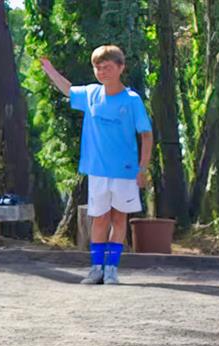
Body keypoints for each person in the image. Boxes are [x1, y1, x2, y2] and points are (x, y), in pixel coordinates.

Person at [40, 46, 154, 286]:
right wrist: (49, 69)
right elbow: (68, 89)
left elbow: (146, 135)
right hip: (97, 170)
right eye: (98, 67)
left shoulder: (132, 100)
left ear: (120, 68)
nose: (102, 72)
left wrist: (142, 168)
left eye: (108, 67)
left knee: (119, 219)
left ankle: (112, 268)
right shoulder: (91, 94)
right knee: (100, 219)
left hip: (124, 171)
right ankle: (96, 268)